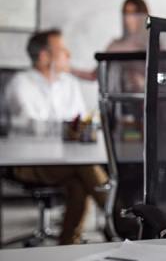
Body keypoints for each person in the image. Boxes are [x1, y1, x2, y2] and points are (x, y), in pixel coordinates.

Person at [4, 29, 109, 245]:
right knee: (86, 167)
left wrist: (80, 126)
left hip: (66, 161)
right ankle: (122, 221)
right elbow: (30, 125)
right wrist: (69, 128)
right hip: (30, 163)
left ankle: (68, 243)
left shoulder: (69, 84)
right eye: (62, 50)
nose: (68, 54)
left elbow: (79, 122)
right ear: (44, 56)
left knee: (79, 183)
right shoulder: (20, 83)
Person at [72, 0, 149, 82]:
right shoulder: (115, 46)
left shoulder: (153, 44)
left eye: (134, 14)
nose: (129, 18)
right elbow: (93, 75)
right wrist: (68, 69)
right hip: (116, 95)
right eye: (126, 13)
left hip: (146, 95)